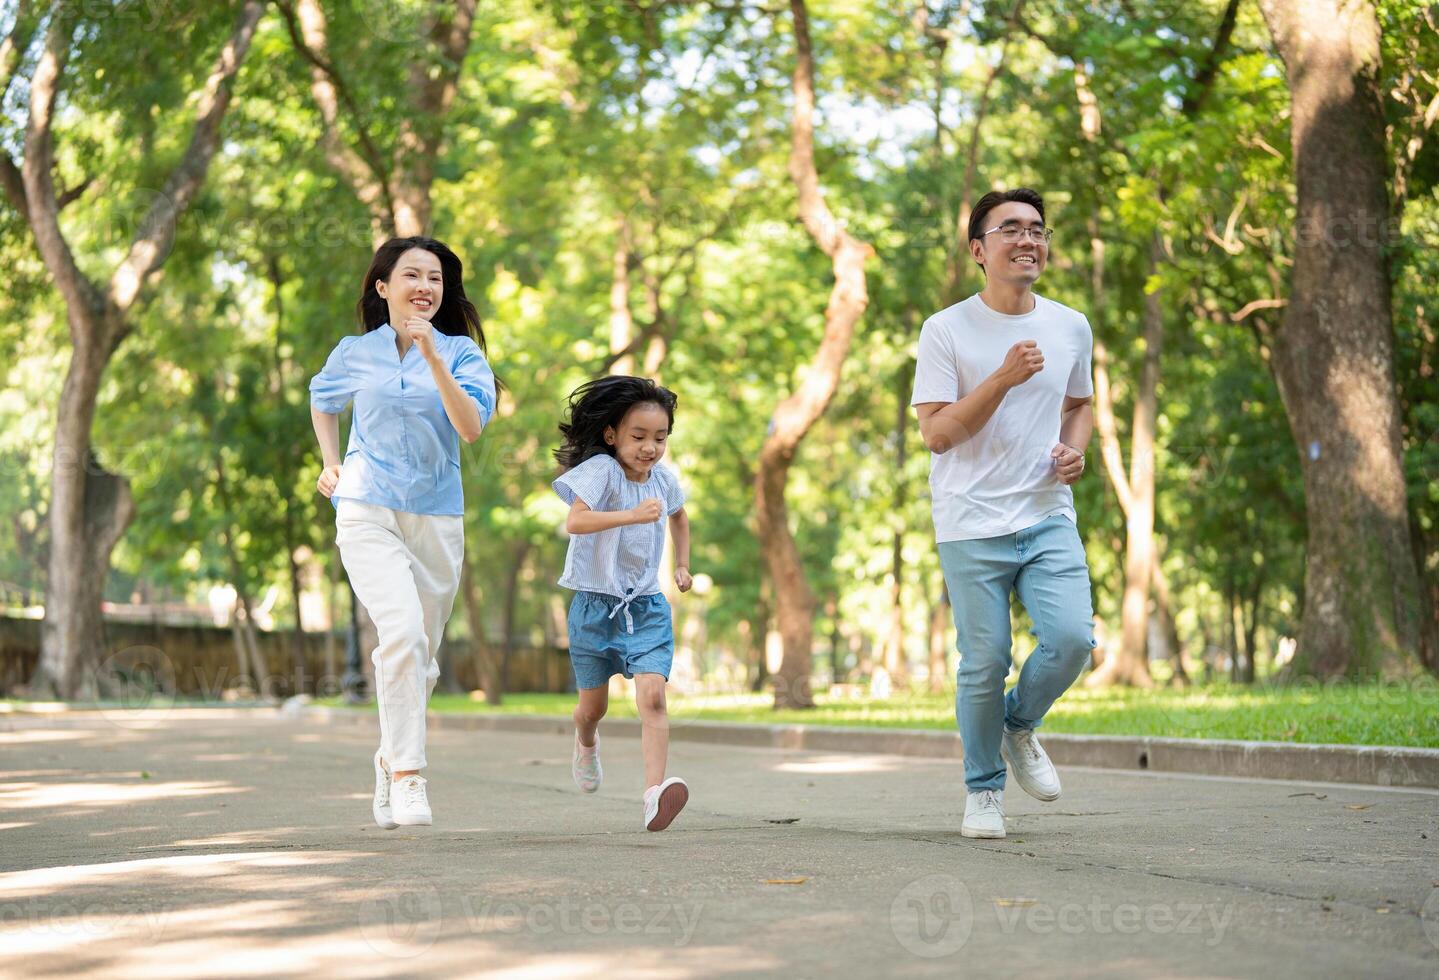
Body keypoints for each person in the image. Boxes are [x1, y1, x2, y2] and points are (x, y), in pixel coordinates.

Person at [911, 188, 1097, 840]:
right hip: (968, 520)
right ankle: (982, 791)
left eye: (1038, 230)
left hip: (1046, 512)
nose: (1028, 240)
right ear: (977, 249)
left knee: (1073, 639)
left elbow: (1080, 404)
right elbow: (936, 436)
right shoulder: (945, 330)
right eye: (1010, 228)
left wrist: (1073, 451)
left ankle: (1017, 725)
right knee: (984, 660)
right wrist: (1000, 379)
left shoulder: (1070, 325)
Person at [309, 236, 497, 829]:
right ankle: (411, 774)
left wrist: (433, 357)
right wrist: (330, 460)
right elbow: (323, 398)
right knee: (402, 632)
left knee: (422, 654)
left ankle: (388, 758)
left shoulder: (463, 356)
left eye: (436, 278)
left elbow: (469, 430)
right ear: (382, 286)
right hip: (366, 505)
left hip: (437, 515)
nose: (425, 287)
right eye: (411, 274)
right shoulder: (354, 352)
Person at [551, 376, 693, 831]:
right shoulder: (601, 472)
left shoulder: (664, 481)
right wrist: (632, 514)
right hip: (594, 607)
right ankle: (586, 741)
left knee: (652, 697)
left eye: (660, 437)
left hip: (646, 606)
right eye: (638, 436)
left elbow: (680, 517)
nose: (650, 447)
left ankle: (653, 795)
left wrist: (682, 565)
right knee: (593, 708)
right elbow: (577, 521)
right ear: (612, 434)